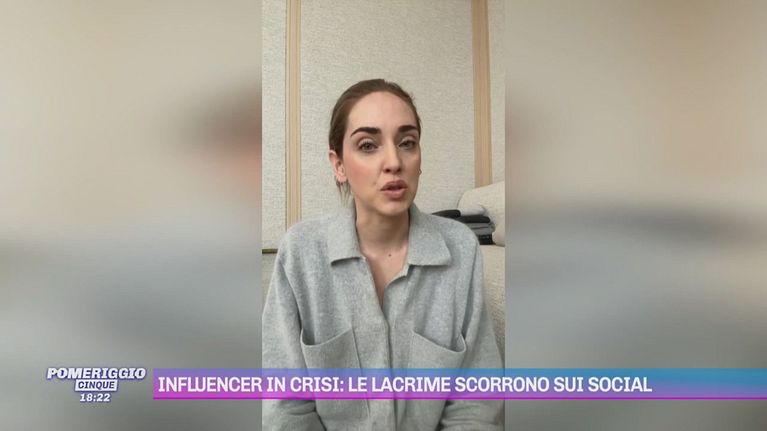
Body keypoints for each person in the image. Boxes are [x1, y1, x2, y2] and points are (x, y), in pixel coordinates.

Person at [262, 79, 502, 430]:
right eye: (368, 145)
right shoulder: (300, 252)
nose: (394, 161)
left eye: (407, 143)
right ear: (339, 165)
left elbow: (476, 402)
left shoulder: (461, 248)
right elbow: (285, 406)